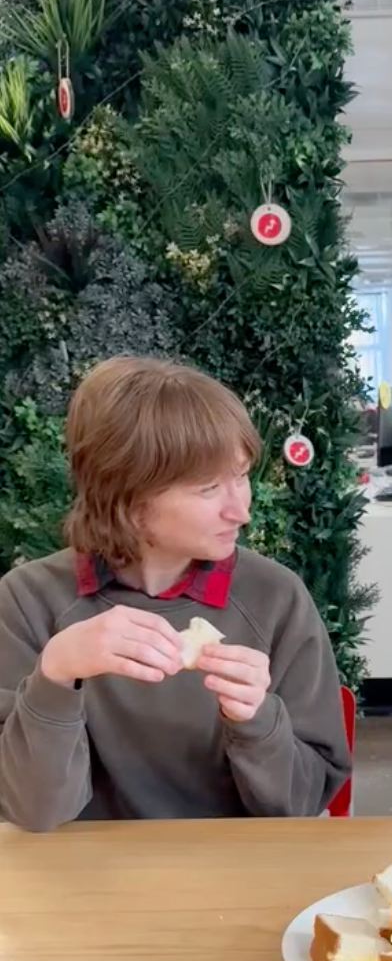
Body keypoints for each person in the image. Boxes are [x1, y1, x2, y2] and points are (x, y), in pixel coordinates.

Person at [0, 356, 351, 830]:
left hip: (238, 875)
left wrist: (257, 719)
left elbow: (300, 806)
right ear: (126, 497)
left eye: (242, 475)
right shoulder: (28, 600)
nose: (241, 511)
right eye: (209, 488)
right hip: (82, 884)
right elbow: (33, 813)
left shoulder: (275, 598)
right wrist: (55, 677)